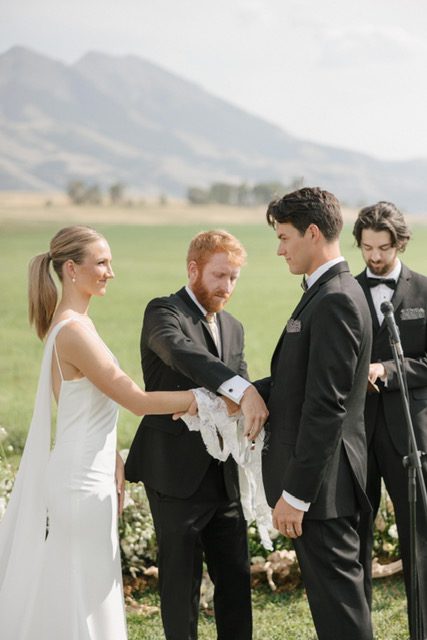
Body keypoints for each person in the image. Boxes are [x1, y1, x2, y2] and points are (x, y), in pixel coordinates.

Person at [0, 225, 198, 640]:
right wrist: (201, 398)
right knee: (82, 588)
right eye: (102, 263)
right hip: (79, 484)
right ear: (71, 269)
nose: (111, 272)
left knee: (85, 583)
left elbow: (77, 407)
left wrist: (113, 456)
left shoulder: (72, 325)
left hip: (90, 471)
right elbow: (136, 400)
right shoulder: (73, 332)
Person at [125, 229, 268, 640]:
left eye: (234, 278)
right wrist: (238, 391)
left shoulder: (234, 326)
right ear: (193, 269)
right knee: (180, 583)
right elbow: (181, 354)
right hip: (173, 473)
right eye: (219, 276)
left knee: (236, 579)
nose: (227, 287)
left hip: (223, 472)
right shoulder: (163, 313)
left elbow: (238, 395)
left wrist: (226, 397)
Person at [256, 187, 374, 640]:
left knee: (341, 613)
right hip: (325, 485)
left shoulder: (336, 298)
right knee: (335, 610)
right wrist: (245, 392)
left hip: (323, 490)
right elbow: (299, 385)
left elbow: (327, 405)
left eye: (284, 237)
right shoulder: (327, 291)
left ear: (311, 232)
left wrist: (298, 494)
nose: (280, 249)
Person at [353, 201, 427, 638]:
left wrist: (389, 371)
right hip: (356, 434)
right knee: (355, 537)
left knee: (419, 540)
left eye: (383, 247)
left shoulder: (424, 291)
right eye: (366, 247)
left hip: (410, 437)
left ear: (400, 243)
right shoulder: (342, 290)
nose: (375, 257)